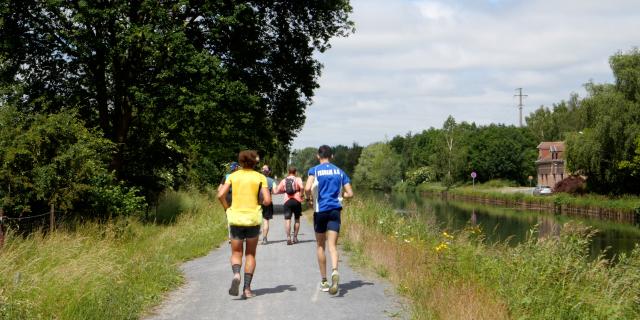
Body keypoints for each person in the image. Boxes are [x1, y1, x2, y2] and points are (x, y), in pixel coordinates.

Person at [217, 150, 271, 299]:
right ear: (255, 162)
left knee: (236, 253)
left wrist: (227, 208)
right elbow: (267, 200)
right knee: (250, 254)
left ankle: (236, 275)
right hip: (253, 219)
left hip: (235, 218)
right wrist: (259, 203)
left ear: (240, 162)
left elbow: (220, 195)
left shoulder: (233, 176)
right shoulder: (260, 177)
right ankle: (247, 289)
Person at [304, 145, 353, 295]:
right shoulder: (340, 171)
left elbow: (307, 188)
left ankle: (324, 281)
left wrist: (309, 199)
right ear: (332, 156)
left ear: (318, 156)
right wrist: (340, 197)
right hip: (335, 211)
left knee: (320, 246)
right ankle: (335, 271)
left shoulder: (315, 170)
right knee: (332, 246)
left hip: (320, 212)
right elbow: (350, 193)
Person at [275, 166, 304, 245]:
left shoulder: (284, 180)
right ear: (295, 172)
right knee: (297, 219)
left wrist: (283, 191)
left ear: (288, 172)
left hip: (287, 201)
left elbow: (277, 191)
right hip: (297, 200)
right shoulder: (298, 179)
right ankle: (295, 237)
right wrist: (301, 195)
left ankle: (288, 238)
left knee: (288, 220)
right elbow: (302, 187)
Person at [218, 162, 239, 243]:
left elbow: (219, 189)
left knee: (229, 217)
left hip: (227, 198)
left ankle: (230, 237)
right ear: (236, 167)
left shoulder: (226, 176)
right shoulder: (239, 176)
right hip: (236, 198)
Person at [260, 164, 276, 244]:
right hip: (268, 202)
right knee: (266, 220)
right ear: (269, 172)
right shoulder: (272, 181)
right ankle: (264, 238)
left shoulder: (257, 179)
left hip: (257, 202)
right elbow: (275, 191)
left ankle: (251, 238)